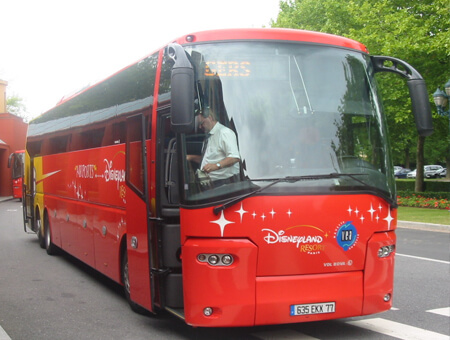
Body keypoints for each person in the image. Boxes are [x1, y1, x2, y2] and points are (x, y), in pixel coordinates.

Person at [187, 109, 240, 187]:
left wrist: (216, 166)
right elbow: (209, 160)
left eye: (202, 123)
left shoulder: (224, 133)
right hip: (213, 184)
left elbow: (234, 157)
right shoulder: (209, 136)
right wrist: (191, 157)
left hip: (226, 183)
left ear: (210, 118)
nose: (200, 127)